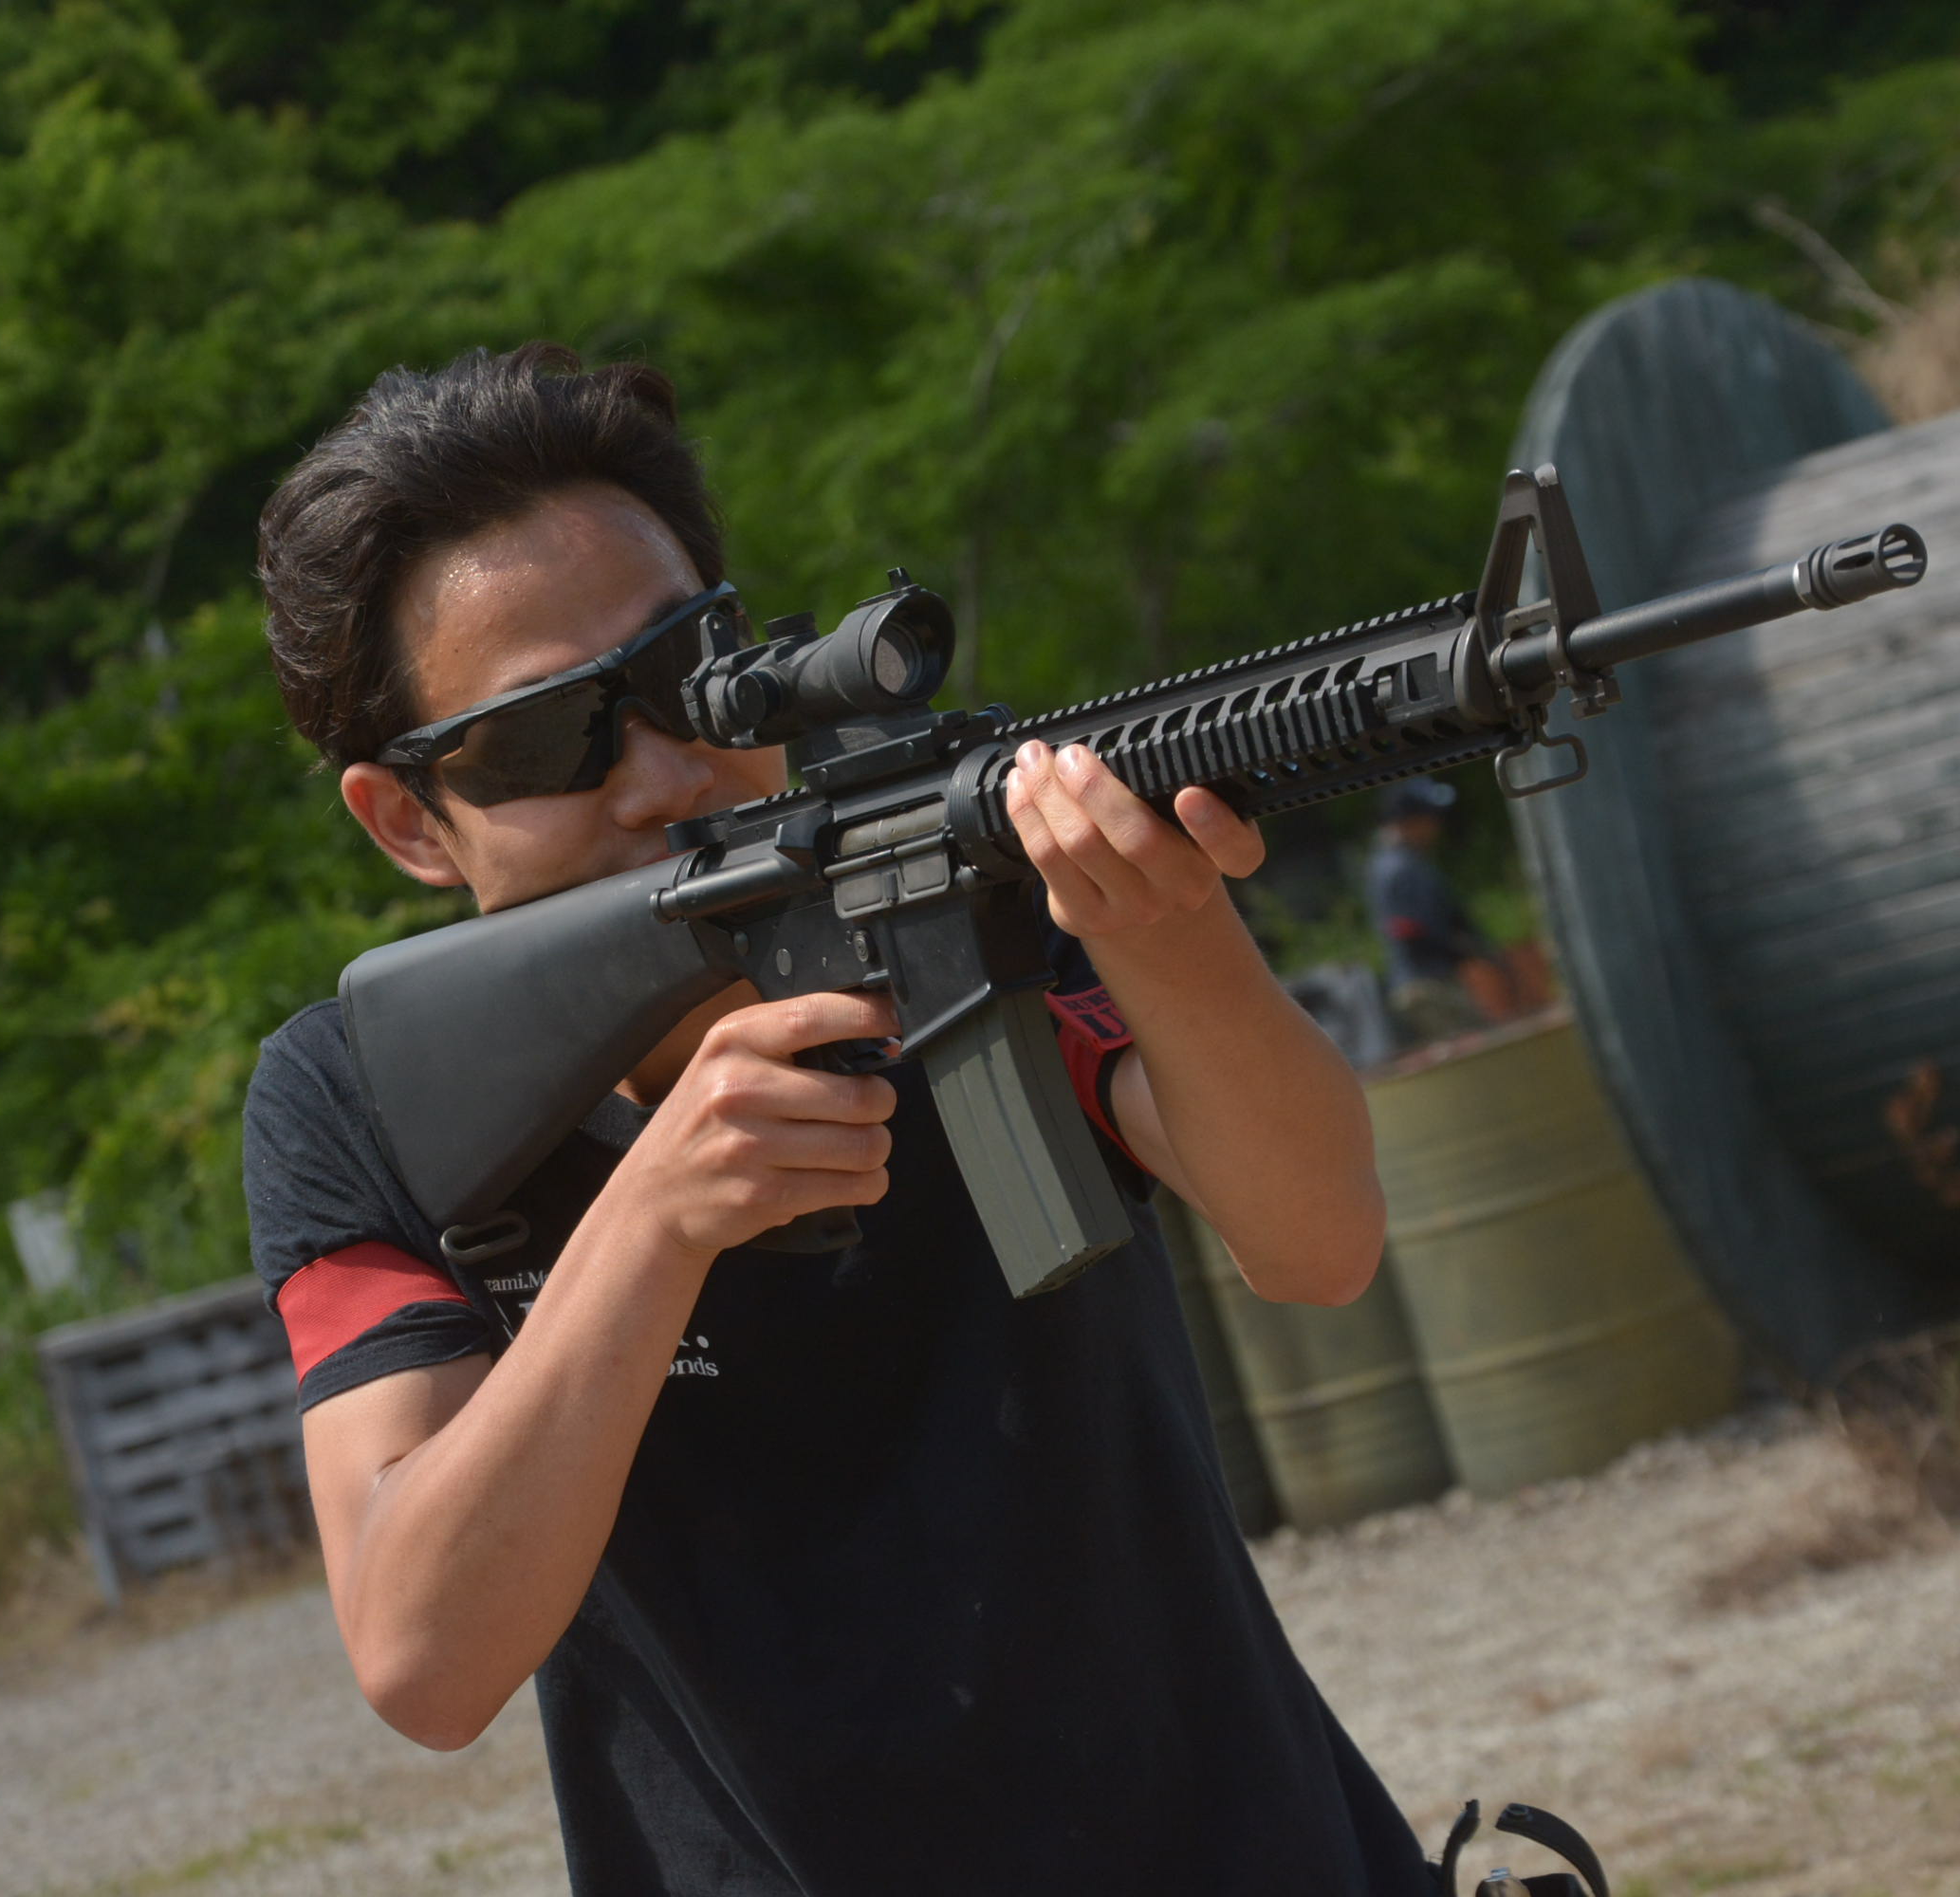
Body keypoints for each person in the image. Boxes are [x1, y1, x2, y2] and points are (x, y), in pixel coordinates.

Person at [242, 342, 1435, 1893]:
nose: (663, 772)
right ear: (408, 818)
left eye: (688, 673)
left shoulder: (962, 886)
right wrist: (655, 1227)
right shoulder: (359, 1097)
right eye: (547, 739)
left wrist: (1172, 928)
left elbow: (1320, 1244)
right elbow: (424, 1658)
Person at [1367, 779, 1517, 1046]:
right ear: (1409, 819)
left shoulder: (1403, 862)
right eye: (1429, 817)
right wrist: (1465, 948)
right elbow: (1411, 930)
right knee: (1481, 1049)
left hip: (1430, 982)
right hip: (1427, 987)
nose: (1436, 825)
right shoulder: (1399, 868)